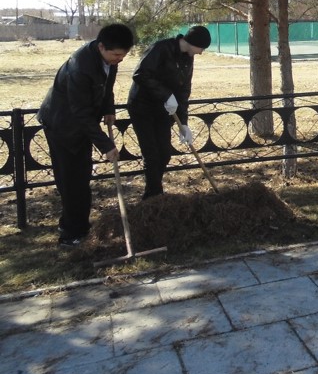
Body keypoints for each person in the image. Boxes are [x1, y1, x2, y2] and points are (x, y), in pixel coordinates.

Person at [37, 23, 136, 247]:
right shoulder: (80, 67)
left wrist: (109, 109)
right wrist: (106, 145)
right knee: (72, 182)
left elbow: (107, 86)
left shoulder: (108, 60)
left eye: (123, 55)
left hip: (81, 125)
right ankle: (71, 234)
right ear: (101, 46)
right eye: (116, 55)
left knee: (81, 178)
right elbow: (80, 112)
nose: (119, 59)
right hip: (63, 126)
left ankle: (76, 225)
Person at [127, 25, 211, 199]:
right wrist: (165, 94)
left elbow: (184, 90)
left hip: (164, 110)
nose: (201, 52)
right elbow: (140, 74)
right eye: (201, 48)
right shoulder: (161, 48)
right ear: (193, 43)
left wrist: (184, 123)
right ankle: (154, 196)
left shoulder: (188, 58)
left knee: (164, 153)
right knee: (151, 155)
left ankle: (154, 192)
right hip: (142, 107)